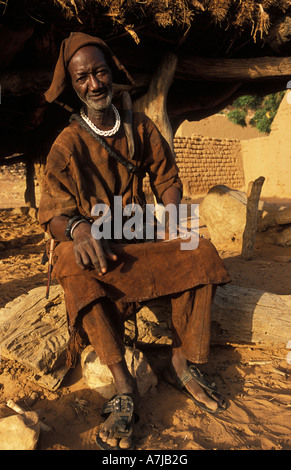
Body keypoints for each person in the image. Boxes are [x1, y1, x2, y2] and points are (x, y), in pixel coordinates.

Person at [38, 32, 231, 450]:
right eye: (83, 77)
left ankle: (184, 361)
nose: (94, 84)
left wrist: (172, 214)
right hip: (96, 244)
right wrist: (77, 229)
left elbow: (167, 178)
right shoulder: (66, 144)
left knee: (198, 248)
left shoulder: (140, 127)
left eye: (100, 72)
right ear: (73, 85)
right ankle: (124, 383)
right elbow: (52, 212)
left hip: (138, 232)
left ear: (112, 74)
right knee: (71, 261)